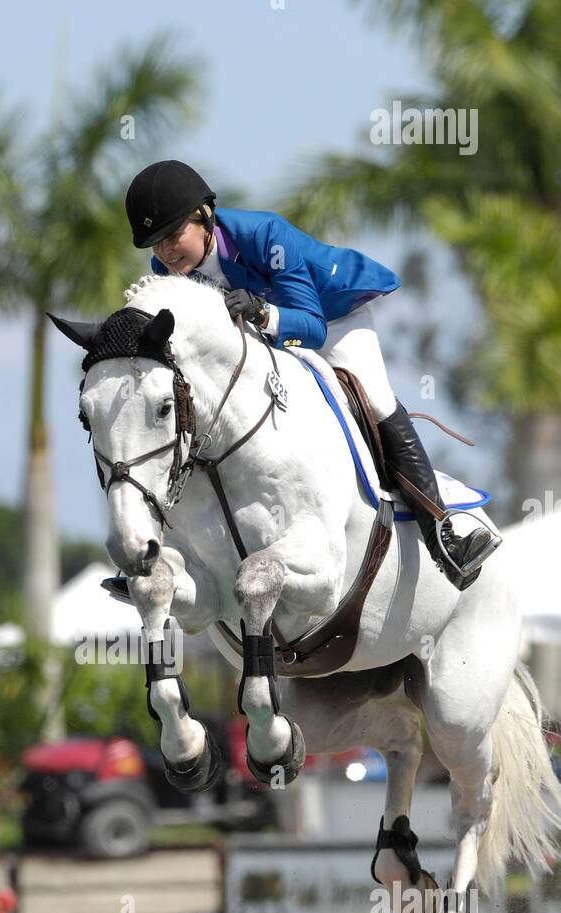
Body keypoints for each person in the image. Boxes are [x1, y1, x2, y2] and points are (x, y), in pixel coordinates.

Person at [124, 160, 500, 590]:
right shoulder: (168, 275)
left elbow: (312, 326)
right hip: (265, 333)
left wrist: (264, 313)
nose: (168, 253)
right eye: (156, 244)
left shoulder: (265, 236)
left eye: (174, 236)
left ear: (205, 218)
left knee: (374, 397)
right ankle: (160, 547)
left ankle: (442, 535)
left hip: (331, 316)